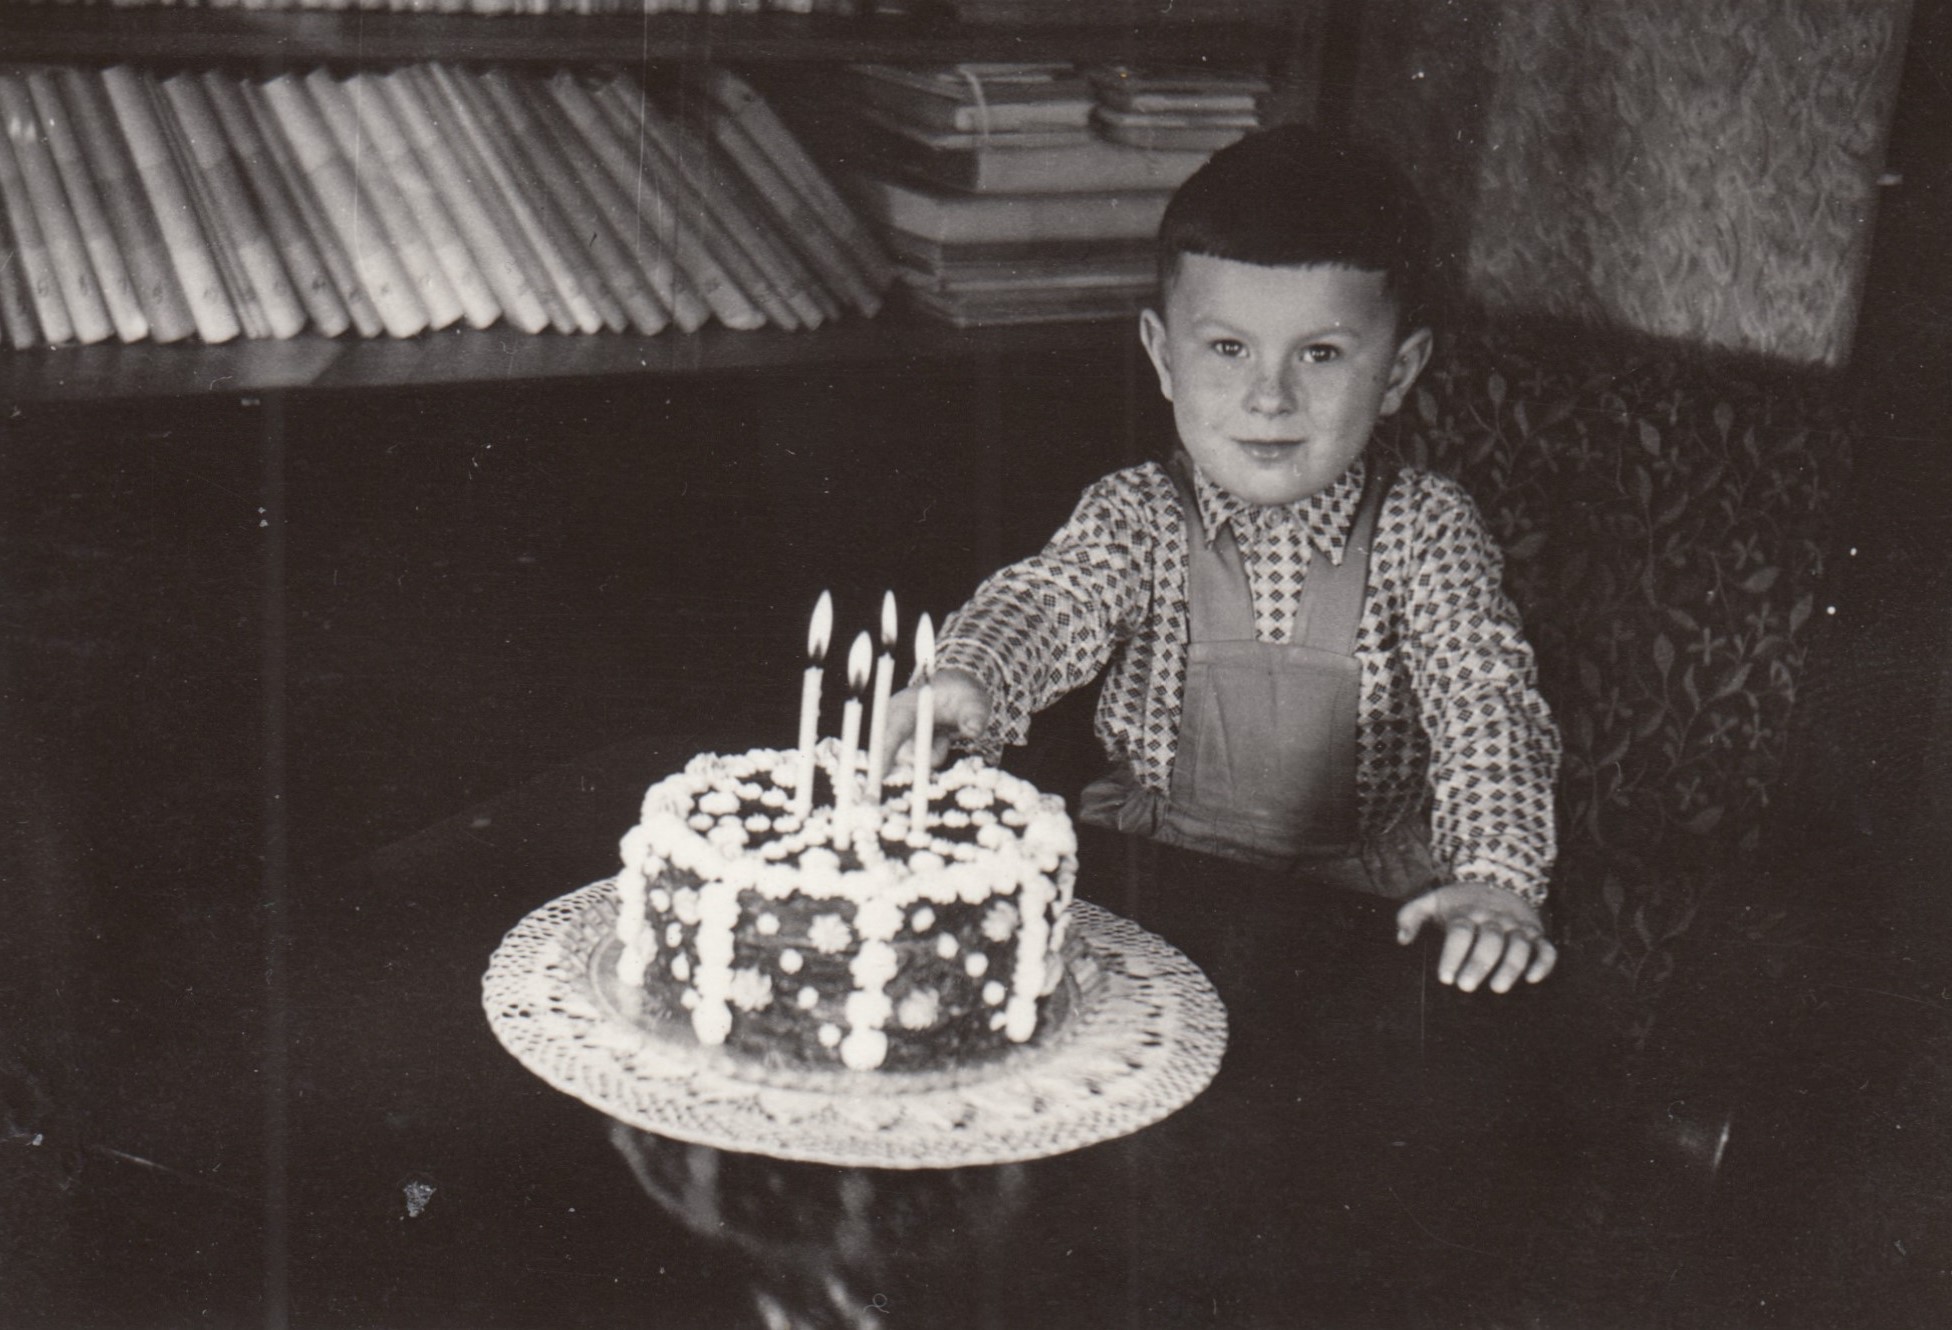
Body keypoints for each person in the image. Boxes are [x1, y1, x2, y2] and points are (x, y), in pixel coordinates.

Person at [880, 124, 1561, 996]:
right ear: (1165, 357)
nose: (1269, 397)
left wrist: (1497, 878)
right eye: (1229, 348)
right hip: (1157, 879)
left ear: (1397, 373)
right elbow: (1050, 600)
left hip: (1359, 909)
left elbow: (1486, 705)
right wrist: (970, 675)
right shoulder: (1139, 514)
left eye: (1320, 354)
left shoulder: (1426, 529)